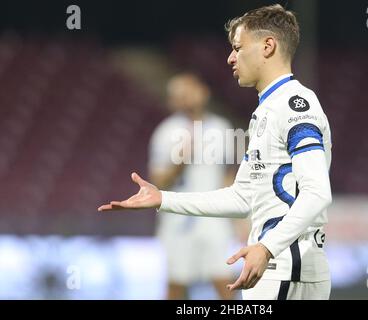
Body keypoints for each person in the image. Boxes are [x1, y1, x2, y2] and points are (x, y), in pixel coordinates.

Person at [99, 4, 333, 300]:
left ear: (268, 46)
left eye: (238, 47)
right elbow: (241, 195)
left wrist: (267, 247)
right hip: (271, 267)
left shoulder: (295, 105)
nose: (230, 57)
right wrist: (164, 198)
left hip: (286, 268)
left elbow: (317, 192)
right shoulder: (266, 111)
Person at [149, 72, 238, 300]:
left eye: (191, 91)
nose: (187, 98)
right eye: (180, 94)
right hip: (178, 220)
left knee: (223, 280)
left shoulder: (222, 128)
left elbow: (229, 175)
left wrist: (237, 216)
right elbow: (158, 182)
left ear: (204, 92)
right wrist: (180, 163)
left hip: (214, 218)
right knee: (177, 284)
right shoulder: (166, 132)